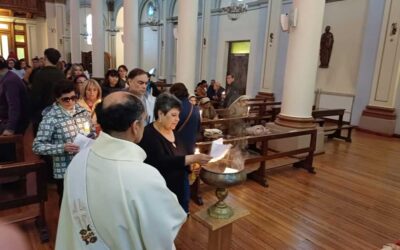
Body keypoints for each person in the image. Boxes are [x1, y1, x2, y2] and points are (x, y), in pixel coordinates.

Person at [56, 92, 187, 250]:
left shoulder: (78, 161)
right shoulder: (144, 177)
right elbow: (164, 228)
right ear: (135, 126)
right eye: (144, 120)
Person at [139, 93, 211, 212]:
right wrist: (192, 159)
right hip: (162, 191)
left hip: (181, 188)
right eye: (173, 115)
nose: (177, 119)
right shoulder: (148, 135)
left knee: (182, 217)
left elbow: (184, 154)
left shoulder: (175, 132)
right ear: (160, 114)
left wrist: (192, 167)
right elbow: (161, 162)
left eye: (178, 115)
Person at [32, 80, 94, 205]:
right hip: (65, 168)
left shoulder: (83, 112)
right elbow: (37, 146)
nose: (71, 102)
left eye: (73, 98)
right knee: (68, 203)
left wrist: (92, 138)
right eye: (66, 99)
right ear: (57, 99)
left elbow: (91, 131)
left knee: (86, 200)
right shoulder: (51, 118)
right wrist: (62, 147)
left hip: (85, 165)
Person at [0, 57, 29, 162]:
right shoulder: (6, 78)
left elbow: (14, 106)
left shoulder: (10, 81)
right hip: (7, 119)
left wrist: (10, 128)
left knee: (8, 151)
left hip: (15, 122)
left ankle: (13, 174)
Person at [30, 48, 66, 135]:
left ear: (46, 58)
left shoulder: (40, 74)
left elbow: (35, 96)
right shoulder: (61, 74)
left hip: (42, 113)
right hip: (58, 112)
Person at [170, 82, 201, 155]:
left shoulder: (175, 109)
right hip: (191, 146)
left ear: (174, 94)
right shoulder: (195, 109)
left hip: (177, 147)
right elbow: (198, 128)